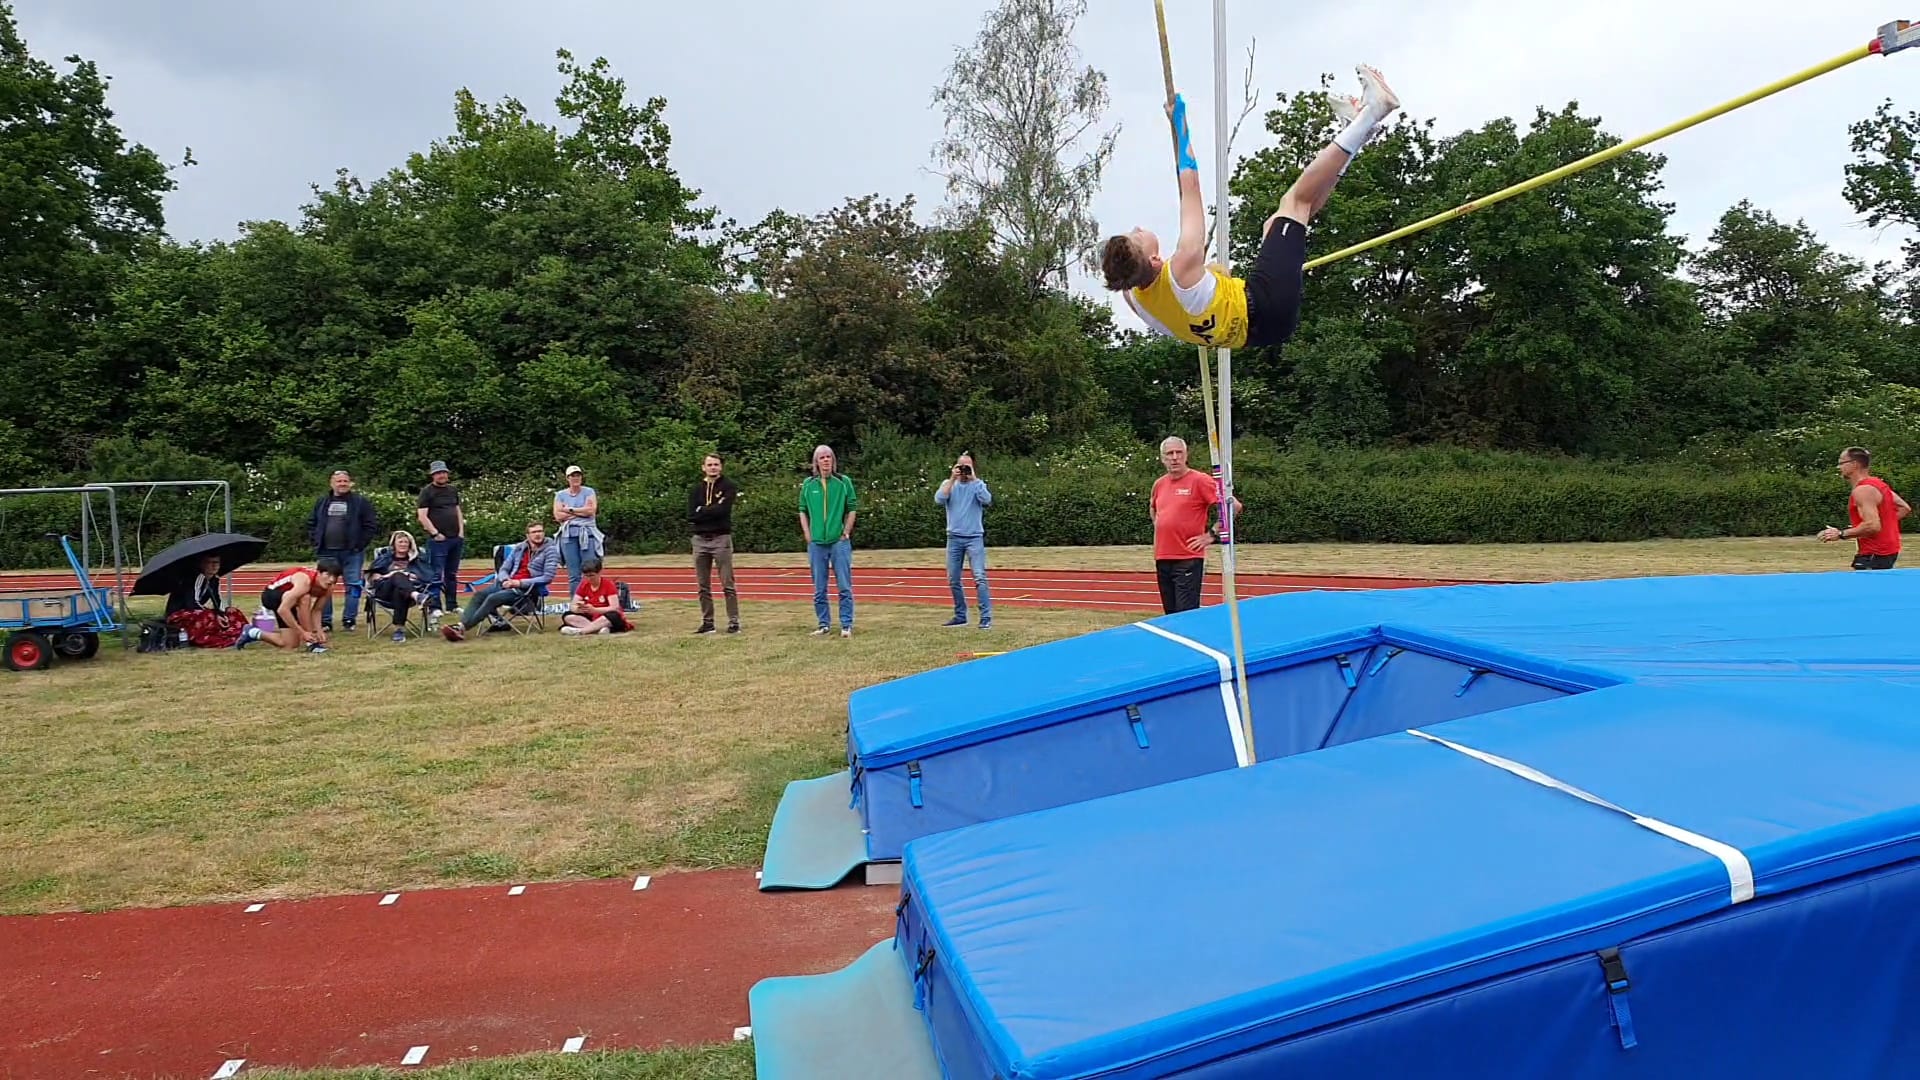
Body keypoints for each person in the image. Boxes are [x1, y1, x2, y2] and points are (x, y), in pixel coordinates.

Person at [1099, 66, 1400, 353]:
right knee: (1294, 203)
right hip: (1263, 303)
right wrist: (1179, 123)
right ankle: (1374, 111)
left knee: (1281, 223)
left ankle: (1354, 133)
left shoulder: (1136, 299)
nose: (1138, 228)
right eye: (1137, 236)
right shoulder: (1182, 264)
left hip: (1259, 331)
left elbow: (1151, 289)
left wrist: (1209, 276)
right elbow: (1190, 183)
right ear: (1154, 259)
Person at [1149, 436, 1242, 615]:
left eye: (1179, 452)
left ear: (1186, 455)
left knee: (1185, 615)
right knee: (1170, 615)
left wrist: (1211, 535)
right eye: (1169, 453)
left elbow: (1233, 506)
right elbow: (1153, 508)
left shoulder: (1200, 480)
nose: (1174, 457)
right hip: (1163, 558)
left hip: (1188, 558)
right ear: (1162, 458)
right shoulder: (1159, 484)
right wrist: (1161, 527)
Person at [440, 521, 559, 641]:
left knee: (493, 598)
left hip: (525, 589)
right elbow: (504, 569)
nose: (537, 534)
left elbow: (547, 577)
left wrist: (518, 583)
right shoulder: (520, 548)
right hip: (506, 583)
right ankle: (460, 626)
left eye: (540, 531)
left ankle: (462, 628)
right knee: (479, 595)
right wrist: (505, 579)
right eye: (534, 532)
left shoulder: (550, 550)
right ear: (527, 535)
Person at [798, 444, 857, 637]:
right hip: (816, 543)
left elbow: (852, 507)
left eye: (828, 457)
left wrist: (846, 531)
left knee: (844, 586)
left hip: (838, 542)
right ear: (816, 462)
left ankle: (846, 624)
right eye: (822, 457)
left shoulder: (843, 482)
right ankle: (823, 624)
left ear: (833, 460)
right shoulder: (808, 484)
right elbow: (802, 510)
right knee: (819, 588)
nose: (825, 460)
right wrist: (807, 534)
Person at [308, 469, 378, 632]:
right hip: (326, 551)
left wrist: (360, 544)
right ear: (332, 483)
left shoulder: (360, 502)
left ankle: (349, 620)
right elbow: (312, 522)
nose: (342, 484)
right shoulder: (322, 501)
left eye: (345, 481)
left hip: (352, 552)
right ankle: (325, 621)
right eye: (339, 481)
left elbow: (371, 525)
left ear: (350, 483)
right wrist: (315, 540)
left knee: (353, 586)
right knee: (324, 586)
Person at [1819, 446, 1910, 569]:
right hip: (1888, 551)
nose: (1839, 467)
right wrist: (1866, 526)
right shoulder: (1878, 484)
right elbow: (1903, 508)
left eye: (1841, 463)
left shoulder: (1863, 490)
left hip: (1874, 553)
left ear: (1854, 464)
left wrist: (1840, 534)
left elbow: (1872, 526)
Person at [935, 451, 993, 629]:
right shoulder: (948, 484)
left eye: (967, 466)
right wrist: (952, 478)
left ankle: (985, 618)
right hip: (954, 537)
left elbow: (987, 500)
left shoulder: (977, 485)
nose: (964, 470)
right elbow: (939, 499)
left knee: (979, 577)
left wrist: (974, 479)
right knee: (953, 579)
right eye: (961, 466)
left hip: (974, 537)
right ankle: (960, 615)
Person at [233, 559, 342, 653]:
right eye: (328, 575)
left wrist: (319, 631)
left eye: (335, 576)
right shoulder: (304, 581)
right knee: (305, 597)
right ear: (318, 573)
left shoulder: (329, 587)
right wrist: (303, 632)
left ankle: (251, 632)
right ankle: (312, 644)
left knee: (290, 644)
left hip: (289, 601)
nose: (331, 580)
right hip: (272, 596)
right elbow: (283, 609)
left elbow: (317, 611)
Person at [689, 452, 741, 635]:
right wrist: (710, 510)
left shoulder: (728, 486)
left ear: (721, 467)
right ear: (703, 467)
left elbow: (723, 510)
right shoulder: (696, 489)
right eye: (709, 464)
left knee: (727, 583)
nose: (713, 467)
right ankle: (708, 622)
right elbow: (691, 515)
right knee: (702, 585)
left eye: (716, 464)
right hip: (700, 540)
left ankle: (733, 622)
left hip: (721, 538)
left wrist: (703, 511)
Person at [366, 529, 435, 641]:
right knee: (397, 575)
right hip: (385, 592)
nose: (403, 544)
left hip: (405, 594)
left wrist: (410, 575)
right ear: (394, 544)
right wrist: (390, 575)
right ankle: (417, 596)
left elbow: (425, 577)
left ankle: (399, 630)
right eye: (400, 542)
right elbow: (373, 578)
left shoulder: (416, 560)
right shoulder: (384, 558)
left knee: (399, 591)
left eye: (406, 542)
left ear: (410, 544)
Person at [416, 460, 466, 613]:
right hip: (438, 540)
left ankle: (452, 605)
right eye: (438, 473)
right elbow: (422, 516)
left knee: (451, 574)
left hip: (455, 538)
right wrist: (435, 533)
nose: (441, 475)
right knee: (435, 574)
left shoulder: (452, 490)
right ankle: (435, 606)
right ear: (433, 475)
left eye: (443, 472)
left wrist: (461, 531)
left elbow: (457, 510)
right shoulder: (427, 492)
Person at [552, 465, 604, 600]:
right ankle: (576, 602)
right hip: (568, 537)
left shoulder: (589, 491)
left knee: (591, 569)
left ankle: (594, 599)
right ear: (567, 478)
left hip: (587, 535)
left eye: (578, 475)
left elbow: (591, 511)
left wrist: (568, 510)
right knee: (574, 574)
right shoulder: (560, 495)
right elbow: (558, 516)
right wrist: (581, 511)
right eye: (573, 476)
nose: (576, 478)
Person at [560, 558, 631, 636]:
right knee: (567, 616)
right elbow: (573, 605)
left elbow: (614, 607)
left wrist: (595, 610)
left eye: (592, 575)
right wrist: (578, 609)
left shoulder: (608, 585)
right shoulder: (584, 584)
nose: (589, 579)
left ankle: (581, 631)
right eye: (586, 576)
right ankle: (597, 628)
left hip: (605, 615)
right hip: (590, 616)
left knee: (613, 616)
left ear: (600, 572)